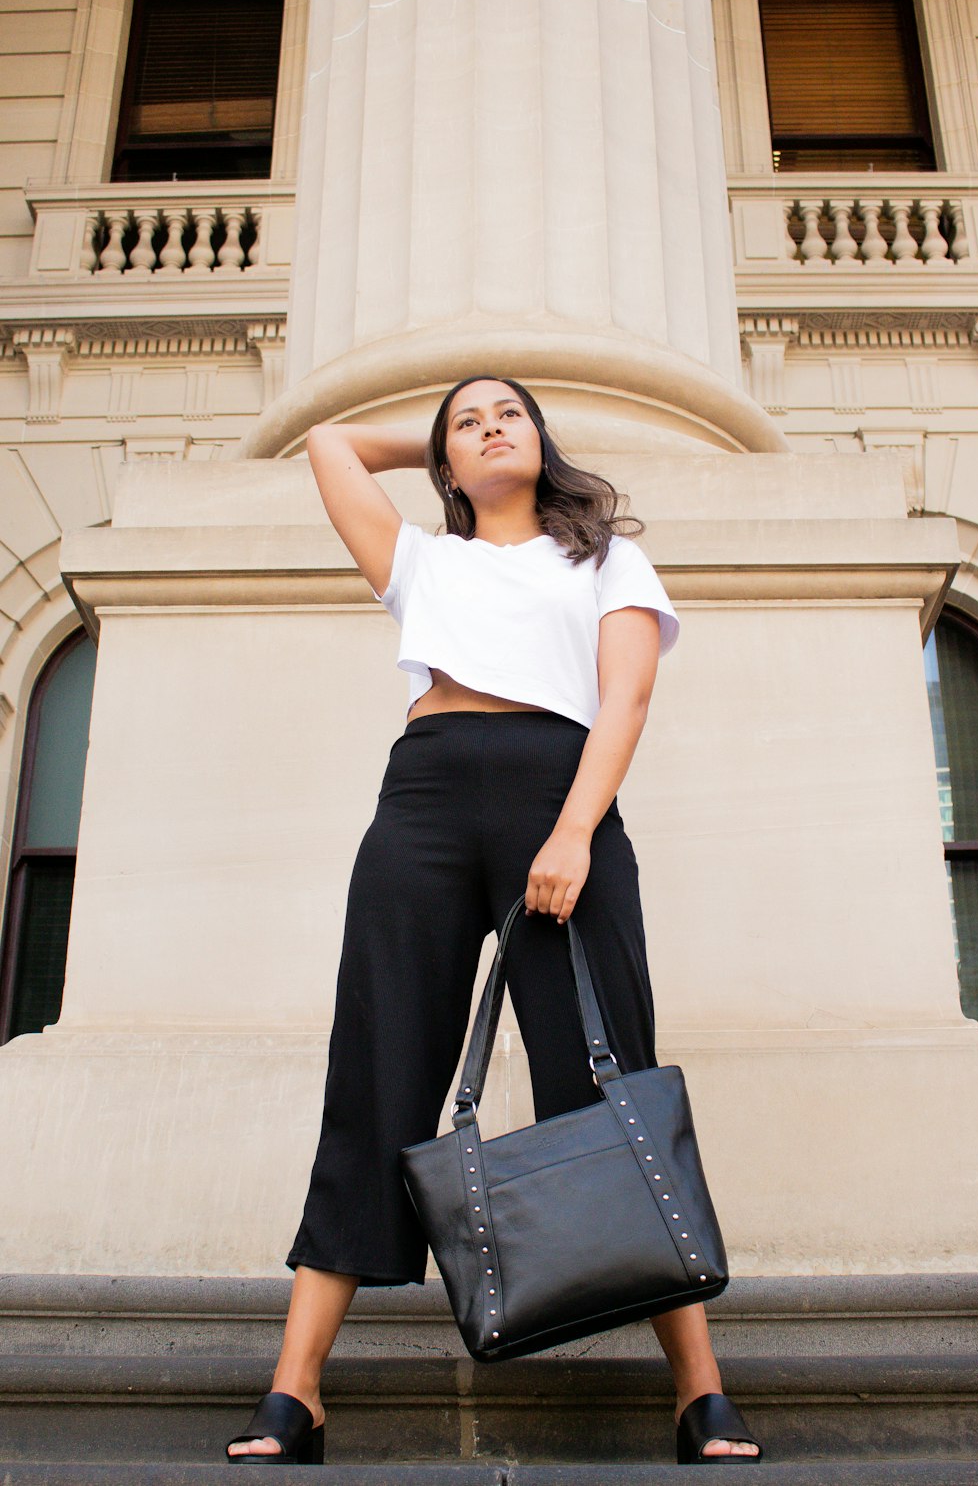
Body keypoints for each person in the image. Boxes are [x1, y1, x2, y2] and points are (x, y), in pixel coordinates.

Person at [226, 376, 763, 1467]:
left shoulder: (604, 556)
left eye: (507, 414)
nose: (487, 429)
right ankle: (295, 1393)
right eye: (466, 423)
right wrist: (437, 440)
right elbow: (328, 442)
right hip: (423, 801)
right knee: (376, 1078)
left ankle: (700, 1394)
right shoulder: (421, 559)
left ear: (543, 439)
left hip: (559, 796)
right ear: (443, 461)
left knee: (611, 1087)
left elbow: (624, 699)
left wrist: (570, 834)